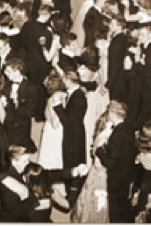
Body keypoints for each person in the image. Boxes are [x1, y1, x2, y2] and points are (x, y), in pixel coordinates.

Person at [0, 144, 87, 222]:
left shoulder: (26, 166)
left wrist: (73, 171)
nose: (28, 163)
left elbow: (48, 174)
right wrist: (36, 199)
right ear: (14, 162)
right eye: (24, 161)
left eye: (28, 160)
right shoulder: (6, 179)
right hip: (13, 219)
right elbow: (16, 211)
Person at [95, 101, 137, 223]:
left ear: (112, 113)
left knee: (116, 212)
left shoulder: (116, 134)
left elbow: (110, 163)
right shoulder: (128, 127)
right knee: (125, 208)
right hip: (127, 174)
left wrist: (100, 151)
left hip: (117, 178)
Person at [52, 70, 88, 207]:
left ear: (68, 80)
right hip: (74, 134)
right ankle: (71, 193)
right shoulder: (76, 93)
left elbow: (68, 121)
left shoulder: (78, 98)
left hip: (74, 136)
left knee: (73, 161)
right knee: (70, 160)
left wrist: (57, 107)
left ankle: (73, 196)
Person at [72, 110, 113, 223]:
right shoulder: (105, 138)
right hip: (100, 177)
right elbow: (99, 164)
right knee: (99, 208)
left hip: (96, 174)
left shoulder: (102, 135)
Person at [1, 57, 40, 153]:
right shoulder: (5, 85)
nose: (5, 73)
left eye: (8, 71)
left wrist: (16, 103)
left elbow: (30, 112)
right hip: (7, 124)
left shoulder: (31, 88)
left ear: (17, 71)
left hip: (21, 127)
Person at [38, 72, 66, 170]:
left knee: (50, 158)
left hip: (53, 132)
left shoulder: (53, 99)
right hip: (58, 129)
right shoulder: (65, 95)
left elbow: (55, 123)